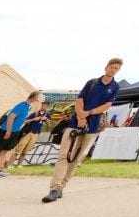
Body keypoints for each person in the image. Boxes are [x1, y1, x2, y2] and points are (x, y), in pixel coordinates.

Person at [41, 58, 122, 203]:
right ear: (106, 67)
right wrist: (80, 116)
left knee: (76, 158)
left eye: (116, 68)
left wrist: (89, 114)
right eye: (112, 67)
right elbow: (79, 100)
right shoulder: (92, 83)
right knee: (64, 155)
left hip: (92, 126)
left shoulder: (115, 86)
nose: (113, 70)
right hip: (75, 123)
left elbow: (106, 105)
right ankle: (54, 188)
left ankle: (61, 187)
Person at [7, 98, 52, 167]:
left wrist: (46, 119)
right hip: (28, 132)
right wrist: (34, 119)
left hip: (36, 134)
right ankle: (10, 165)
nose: (43, 107)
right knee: (19, 149)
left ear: (47, 107)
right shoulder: (35, 113)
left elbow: (49, 124)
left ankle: (19, 165)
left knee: (25, 151)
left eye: (45, 105)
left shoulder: (47, 114)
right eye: (42, 105)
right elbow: (24, 121)